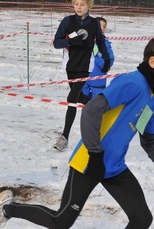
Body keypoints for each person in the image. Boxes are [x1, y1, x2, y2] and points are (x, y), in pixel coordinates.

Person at [0, 39, 154, 229]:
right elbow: (92, 111)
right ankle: (7, 209)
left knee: (141, 218)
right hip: (89, 161)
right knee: (61, 221)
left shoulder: (151, 96)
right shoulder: (133, 82)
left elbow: (149, 139)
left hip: (113, 167)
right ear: (153, 61)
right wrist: (95, 154)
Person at [52, 0, 111, 152]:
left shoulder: (94, 24)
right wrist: (70, 41)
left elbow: (102, 42)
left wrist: (106, 59)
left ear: (89, 6)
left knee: (71, 99)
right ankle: (95, 104)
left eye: (82, 4)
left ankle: (64, 137)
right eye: (76, 4)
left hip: (85, 66)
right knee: (78, 98)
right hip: (70, 66)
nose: (79, 7)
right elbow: (56, 43)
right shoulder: (67, 21)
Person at [82, 17, 115, 99]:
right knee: (83, 106)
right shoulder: (85, 41)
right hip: (84, 81)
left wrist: (94, 58)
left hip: (98, 82)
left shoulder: (106, 45)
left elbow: (109, 62)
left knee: (96, 108)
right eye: (100, 26)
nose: (102, 28)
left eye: (104, 27)